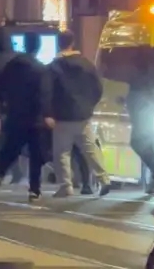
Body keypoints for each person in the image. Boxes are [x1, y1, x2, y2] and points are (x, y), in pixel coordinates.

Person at [0, 31, 50, 202]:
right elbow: (45, 94)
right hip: (36, 118)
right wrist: (48, 114)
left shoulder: (11, 66)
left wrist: (4, 103)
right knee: (36, 155)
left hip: (14, 115)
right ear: (38, 47)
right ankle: (34, 190)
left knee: (9, 150)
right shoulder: (41, 68)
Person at [45, 30, 111, 198]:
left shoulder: (54, 66)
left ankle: (65, 186)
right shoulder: (87, 64)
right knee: (91, 150)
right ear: (73, 42)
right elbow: (98, 87)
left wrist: (48, 113)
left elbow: (47, 91)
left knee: (61, 153)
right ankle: (104, 179)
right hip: (83, 115)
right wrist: (89, 105)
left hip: (62, 116)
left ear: (58, 43)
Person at [0, 26, 25, 184]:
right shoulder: (20, 57)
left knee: (6, 140)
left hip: (6, 106)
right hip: (26, 104)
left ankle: (0, 172)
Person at [125, 45, 154, 193]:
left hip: (143, 112)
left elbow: (139, 93)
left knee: (137, 142)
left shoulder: (141, 75)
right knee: (147, 144)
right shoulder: (151, 72)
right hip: (146, 111)